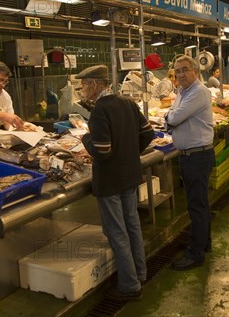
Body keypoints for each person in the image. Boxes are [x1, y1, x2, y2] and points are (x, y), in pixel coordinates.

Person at [78, 64, 154, 302]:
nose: (81, 90)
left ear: (94, 85)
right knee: (132, 226)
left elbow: (102, 150)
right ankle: (140, 273)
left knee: (117, 232)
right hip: (130, 175)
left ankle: (129, 285)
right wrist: (130, 155)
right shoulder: (127, 103)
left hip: (110, 180)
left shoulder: (100, 110)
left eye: (83, 86)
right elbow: (148, 133)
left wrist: (85, 138)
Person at [165, 56, 215, 270]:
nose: (180, 75)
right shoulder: (182, 92)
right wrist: (171, 116)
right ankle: (204, 242)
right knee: (198, 204)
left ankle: (195, 254)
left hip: (197, 156)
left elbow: (174, 119)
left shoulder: (199, 92)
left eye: (185, 70)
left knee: (197, 206)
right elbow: (172, 115)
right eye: (177, 71)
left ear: (195, 71)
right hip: (190, 155)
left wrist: (171, 117)